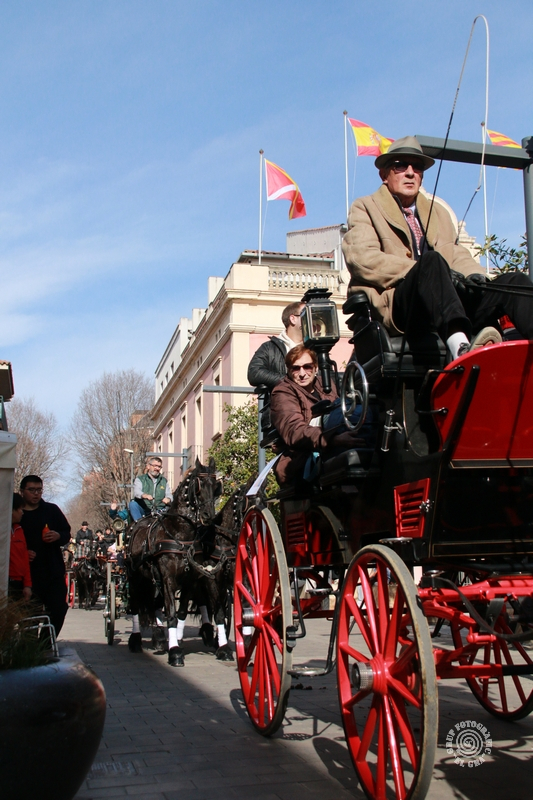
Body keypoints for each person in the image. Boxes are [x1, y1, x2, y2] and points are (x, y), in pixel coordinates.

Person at [342, 136, 533, 361]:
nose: (410, 173)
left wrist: (475, 277)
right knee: (432, 262)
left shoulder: (438, 212)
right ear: (384, 175)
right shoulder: (365, 207)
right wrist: (419, 271)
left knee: (514, 282)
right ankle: (461, 348)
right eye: (400, 166)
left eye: (417, 167)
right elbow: (362, 258)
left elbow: (456, 253)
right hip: (399, 303)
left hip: (447, 298)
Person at [270, 345, 362, 484]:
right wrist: (332, 439)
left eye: (307, 367)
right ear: (288, 370)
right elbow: (294, 431)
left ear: (316, 367)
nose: (302, 373)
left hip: (331, 445)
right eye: (296, 368)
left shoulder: (325, 383)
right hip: (301, 458)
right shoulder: (282, 392)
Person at [19, 474, 71, 638]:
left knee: (58, 609)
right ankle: (30, 647)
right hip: (27, 575)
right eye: (32, 490)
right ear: (22, 491)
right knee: (29, 616)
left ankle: (46, 644)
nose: (36, 494)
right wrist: (23, 554)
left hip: (52, 571)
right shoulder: (17, 514)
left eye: (39, 490)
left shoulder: (51, 510)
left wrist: (58, 536)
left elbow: (66, 533)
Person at [248, 301, 304, 390]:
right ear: (293, 319)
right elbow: (254, 372)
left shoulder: (317, 347)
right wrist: (289, 382)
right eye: (305, 314)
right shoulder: (269, 348)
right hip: (283, 397)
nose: (312, 319)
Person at [129, 456, 173, 521]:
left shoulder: (164, 481)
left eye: (159, 467)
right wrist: (144, 495)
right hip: (144, 509)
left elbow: (169, 494)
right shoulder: (140, 479)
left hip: (160, 510)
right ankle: (139, 524)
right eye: (155, 466)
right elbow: (136, 492)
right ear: (148, 466)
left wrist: (168, 498)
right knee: (132, 504)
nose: (157, 468)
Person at [8, 493, 32, 602]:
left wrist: (27, 585)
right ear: (12, 510)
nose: (22, 513)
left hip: (18, 584)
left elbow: (24, 559)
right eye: (20, 509)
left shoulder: (20, 530)